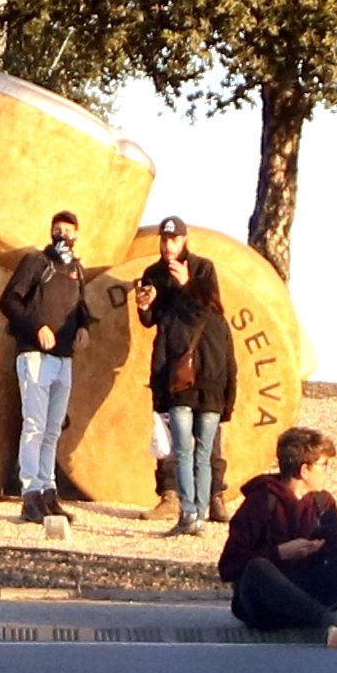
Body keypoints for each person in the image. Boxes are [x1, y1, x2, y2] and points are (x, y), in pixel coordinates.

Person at [220, 426, 337, 641]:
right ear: (305, 470)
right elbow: (228, 565)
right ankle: (329, 622)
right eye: (324, 465)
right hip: (268, 604)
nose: (328, 471)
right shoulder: (262, 501)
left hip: (311, 590)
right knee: (258, 567)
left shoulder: (323, 503)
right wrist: (279, 553)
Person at [135, 218, 236, 537]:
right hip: (174, 370)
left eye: (173, 240)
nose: (167, 246)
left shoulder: (203, 268)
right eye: (164, 240)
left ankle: (207, 504)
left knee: (205, 448)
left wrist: (186, 284)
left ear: (184, 240)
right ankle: (180, 505)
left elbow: (208, 310)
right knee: (180, 447)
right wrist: (143, 306)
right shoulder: (153, 273)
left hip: (203, 374)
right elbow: (153, 321)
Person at [0, 212, 96, 526]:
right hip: (35, 354)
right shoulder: (36, 262)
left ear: (77, 235)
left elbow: (79, 309)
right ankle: (30, 495)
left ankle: (49, 491)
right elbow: (9, 301)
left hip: (63, 358)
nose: (62, 235)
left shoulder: (76, 269)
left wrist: (84, 327)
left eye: (68, 231)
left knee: (53, 430)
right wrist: (36, 325)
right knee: (35, 426)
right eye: (57, 230)